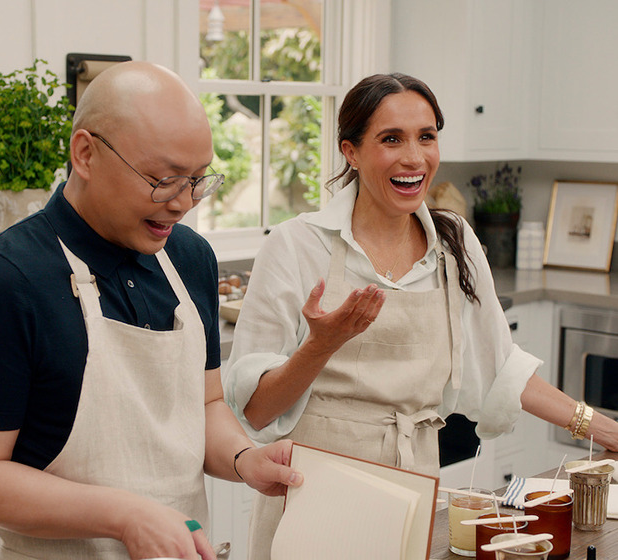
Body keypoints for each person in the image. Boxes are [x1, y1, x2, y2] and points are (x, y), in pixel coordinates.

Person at [222, 72, 618, 559]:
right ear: (351, 150)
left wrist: (600, 428)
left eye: (426, 136)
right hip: (314, 491)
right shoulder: (295, 245)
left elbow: (501, 367)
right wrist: (321, 345)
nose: (414, 157)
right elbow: (256, 409)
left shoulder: (454, 243)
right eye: (391, 139)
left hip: (414, 487)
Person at [0, 61, 303, 560]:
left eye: (198, 180)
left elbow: (206, 404)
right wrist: (125, 515)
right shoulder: (5, 281)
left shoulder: (190, 258)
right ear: (85, 153)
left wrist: (246, 459)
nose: (183, 203)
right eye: (164, 179)